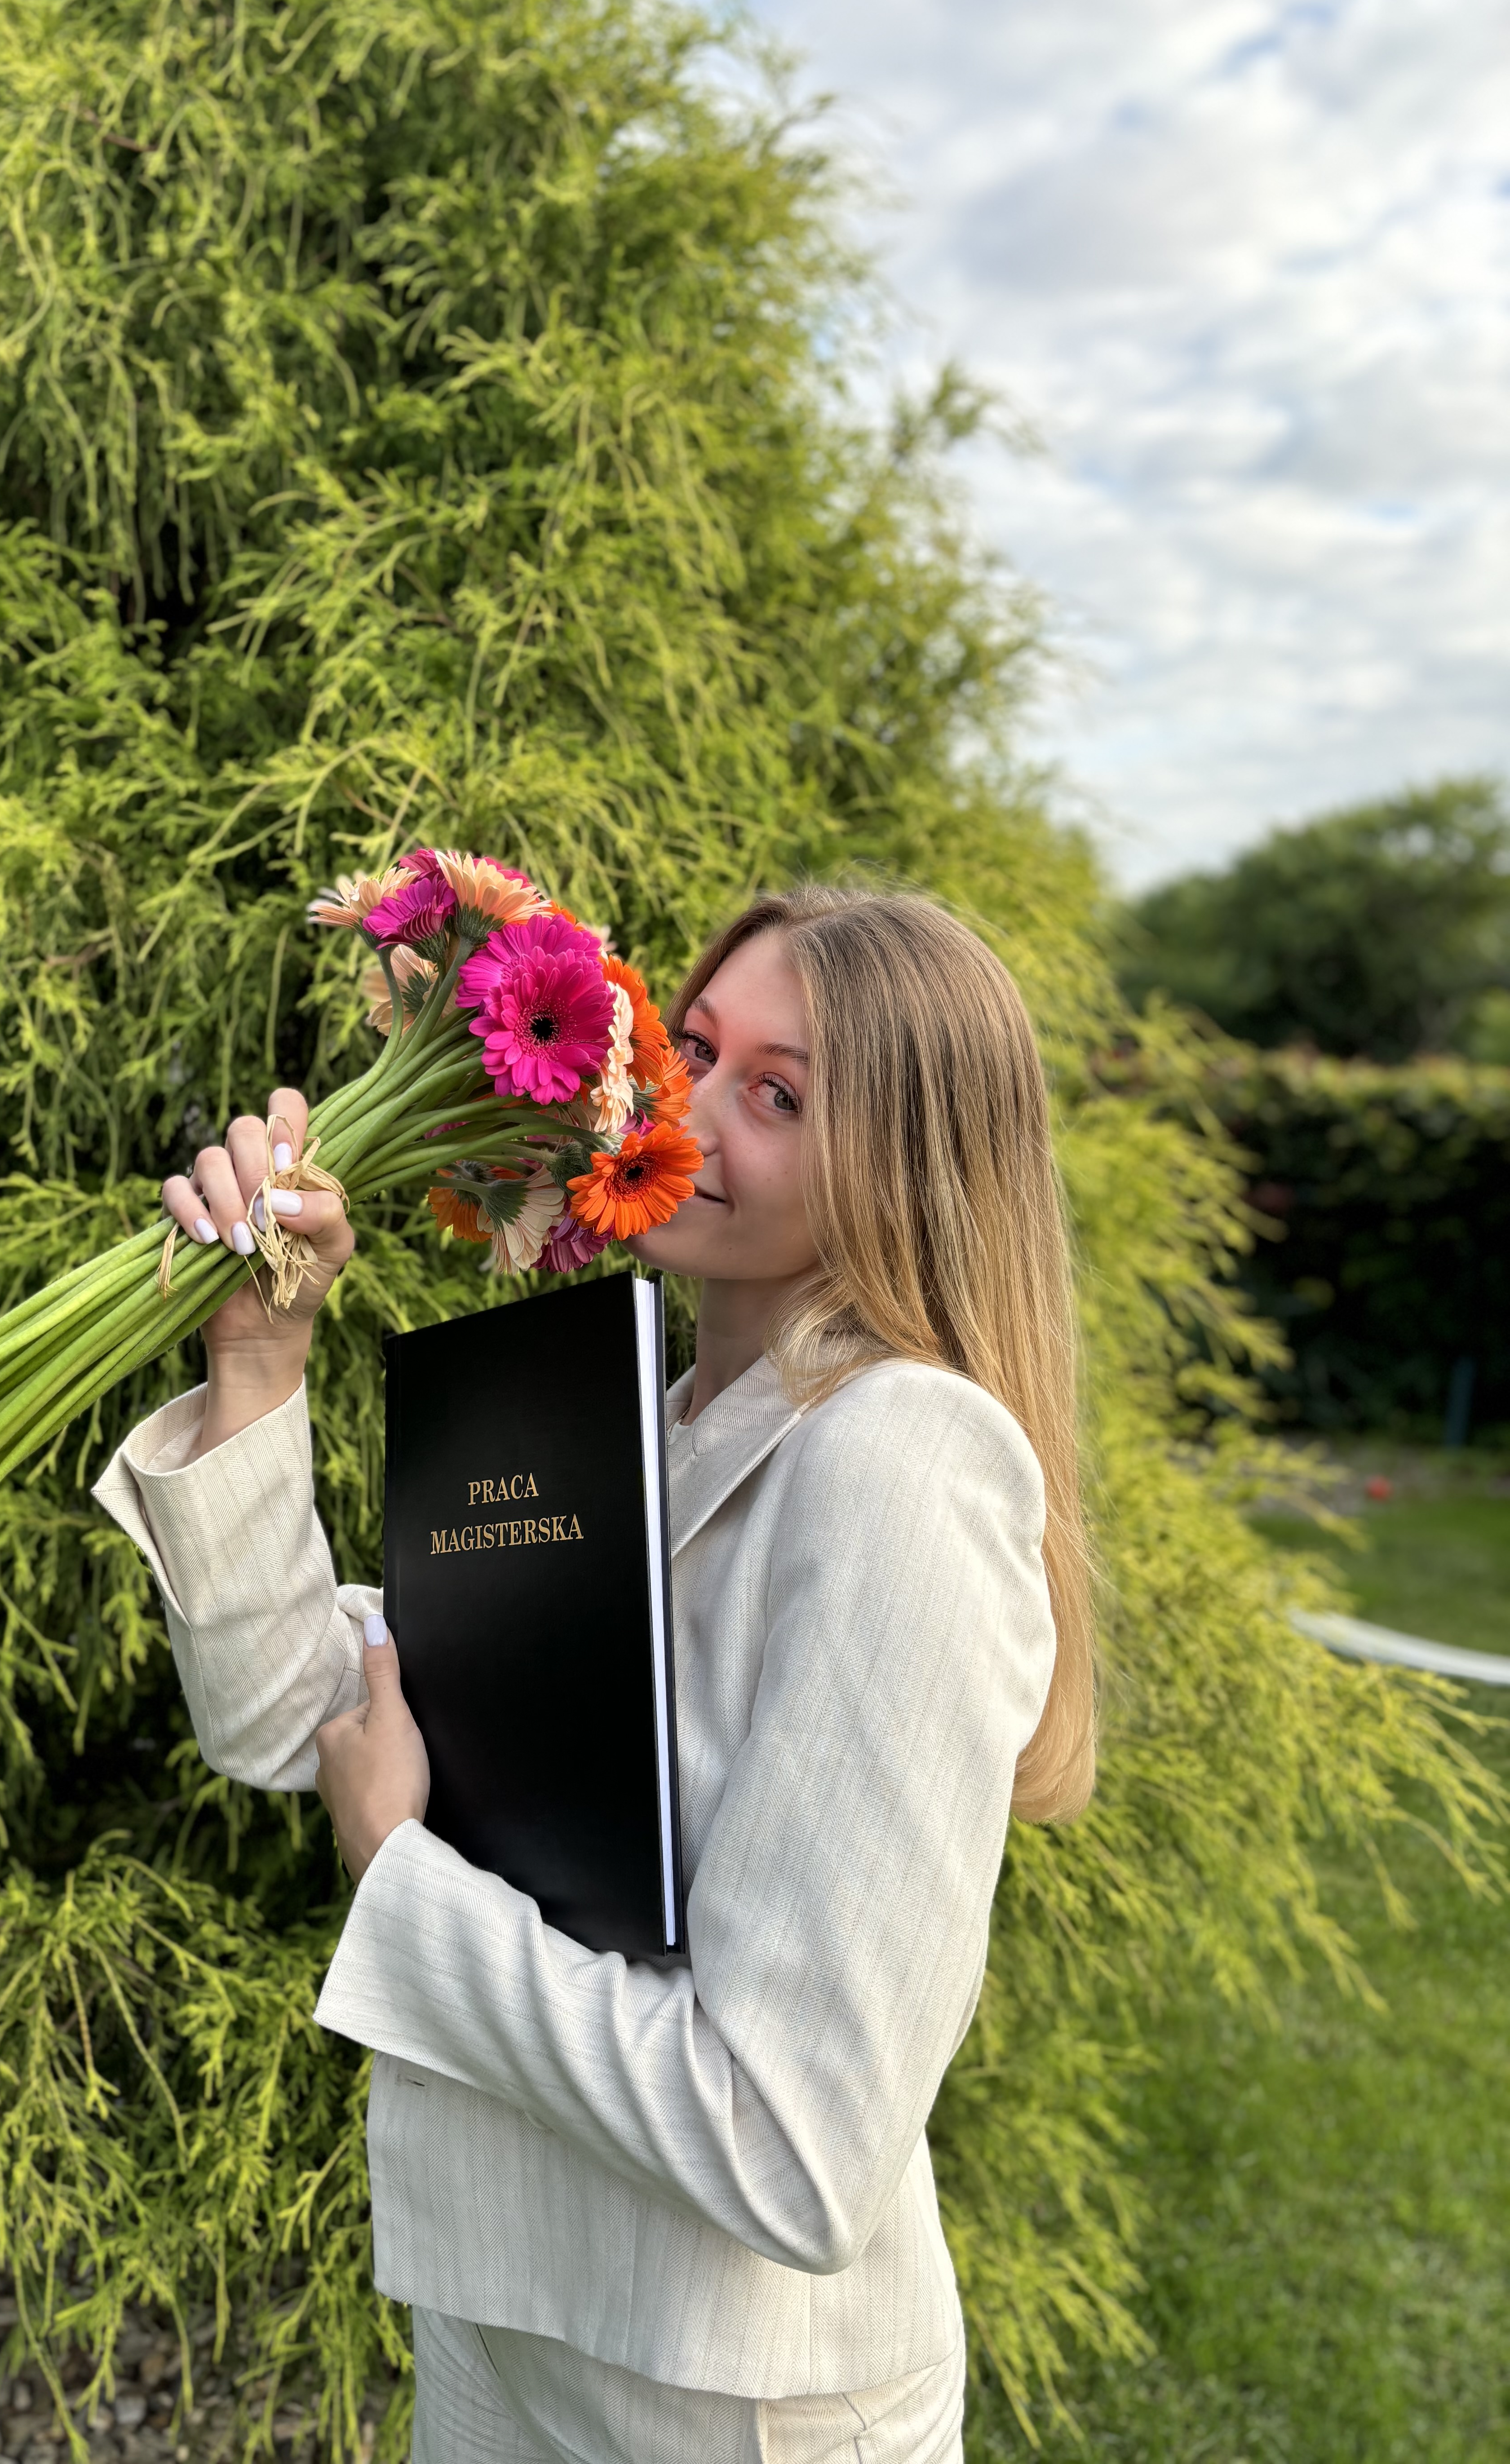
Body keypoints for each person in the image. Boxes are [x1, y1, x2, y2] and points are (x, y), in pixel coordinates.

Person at [93, 886, 1094, 2464]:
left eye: (781, 1094)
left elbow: (792, 2150)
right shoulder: (634, 1419)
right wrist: (259, 1359)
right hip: (512, 2334)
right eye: (690, 1048)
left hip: (728, 2406)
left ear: (907, 1163)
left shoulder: (898, 1457)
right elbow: (296, 1715)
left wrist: (399, 1863)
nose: (686, 1105)